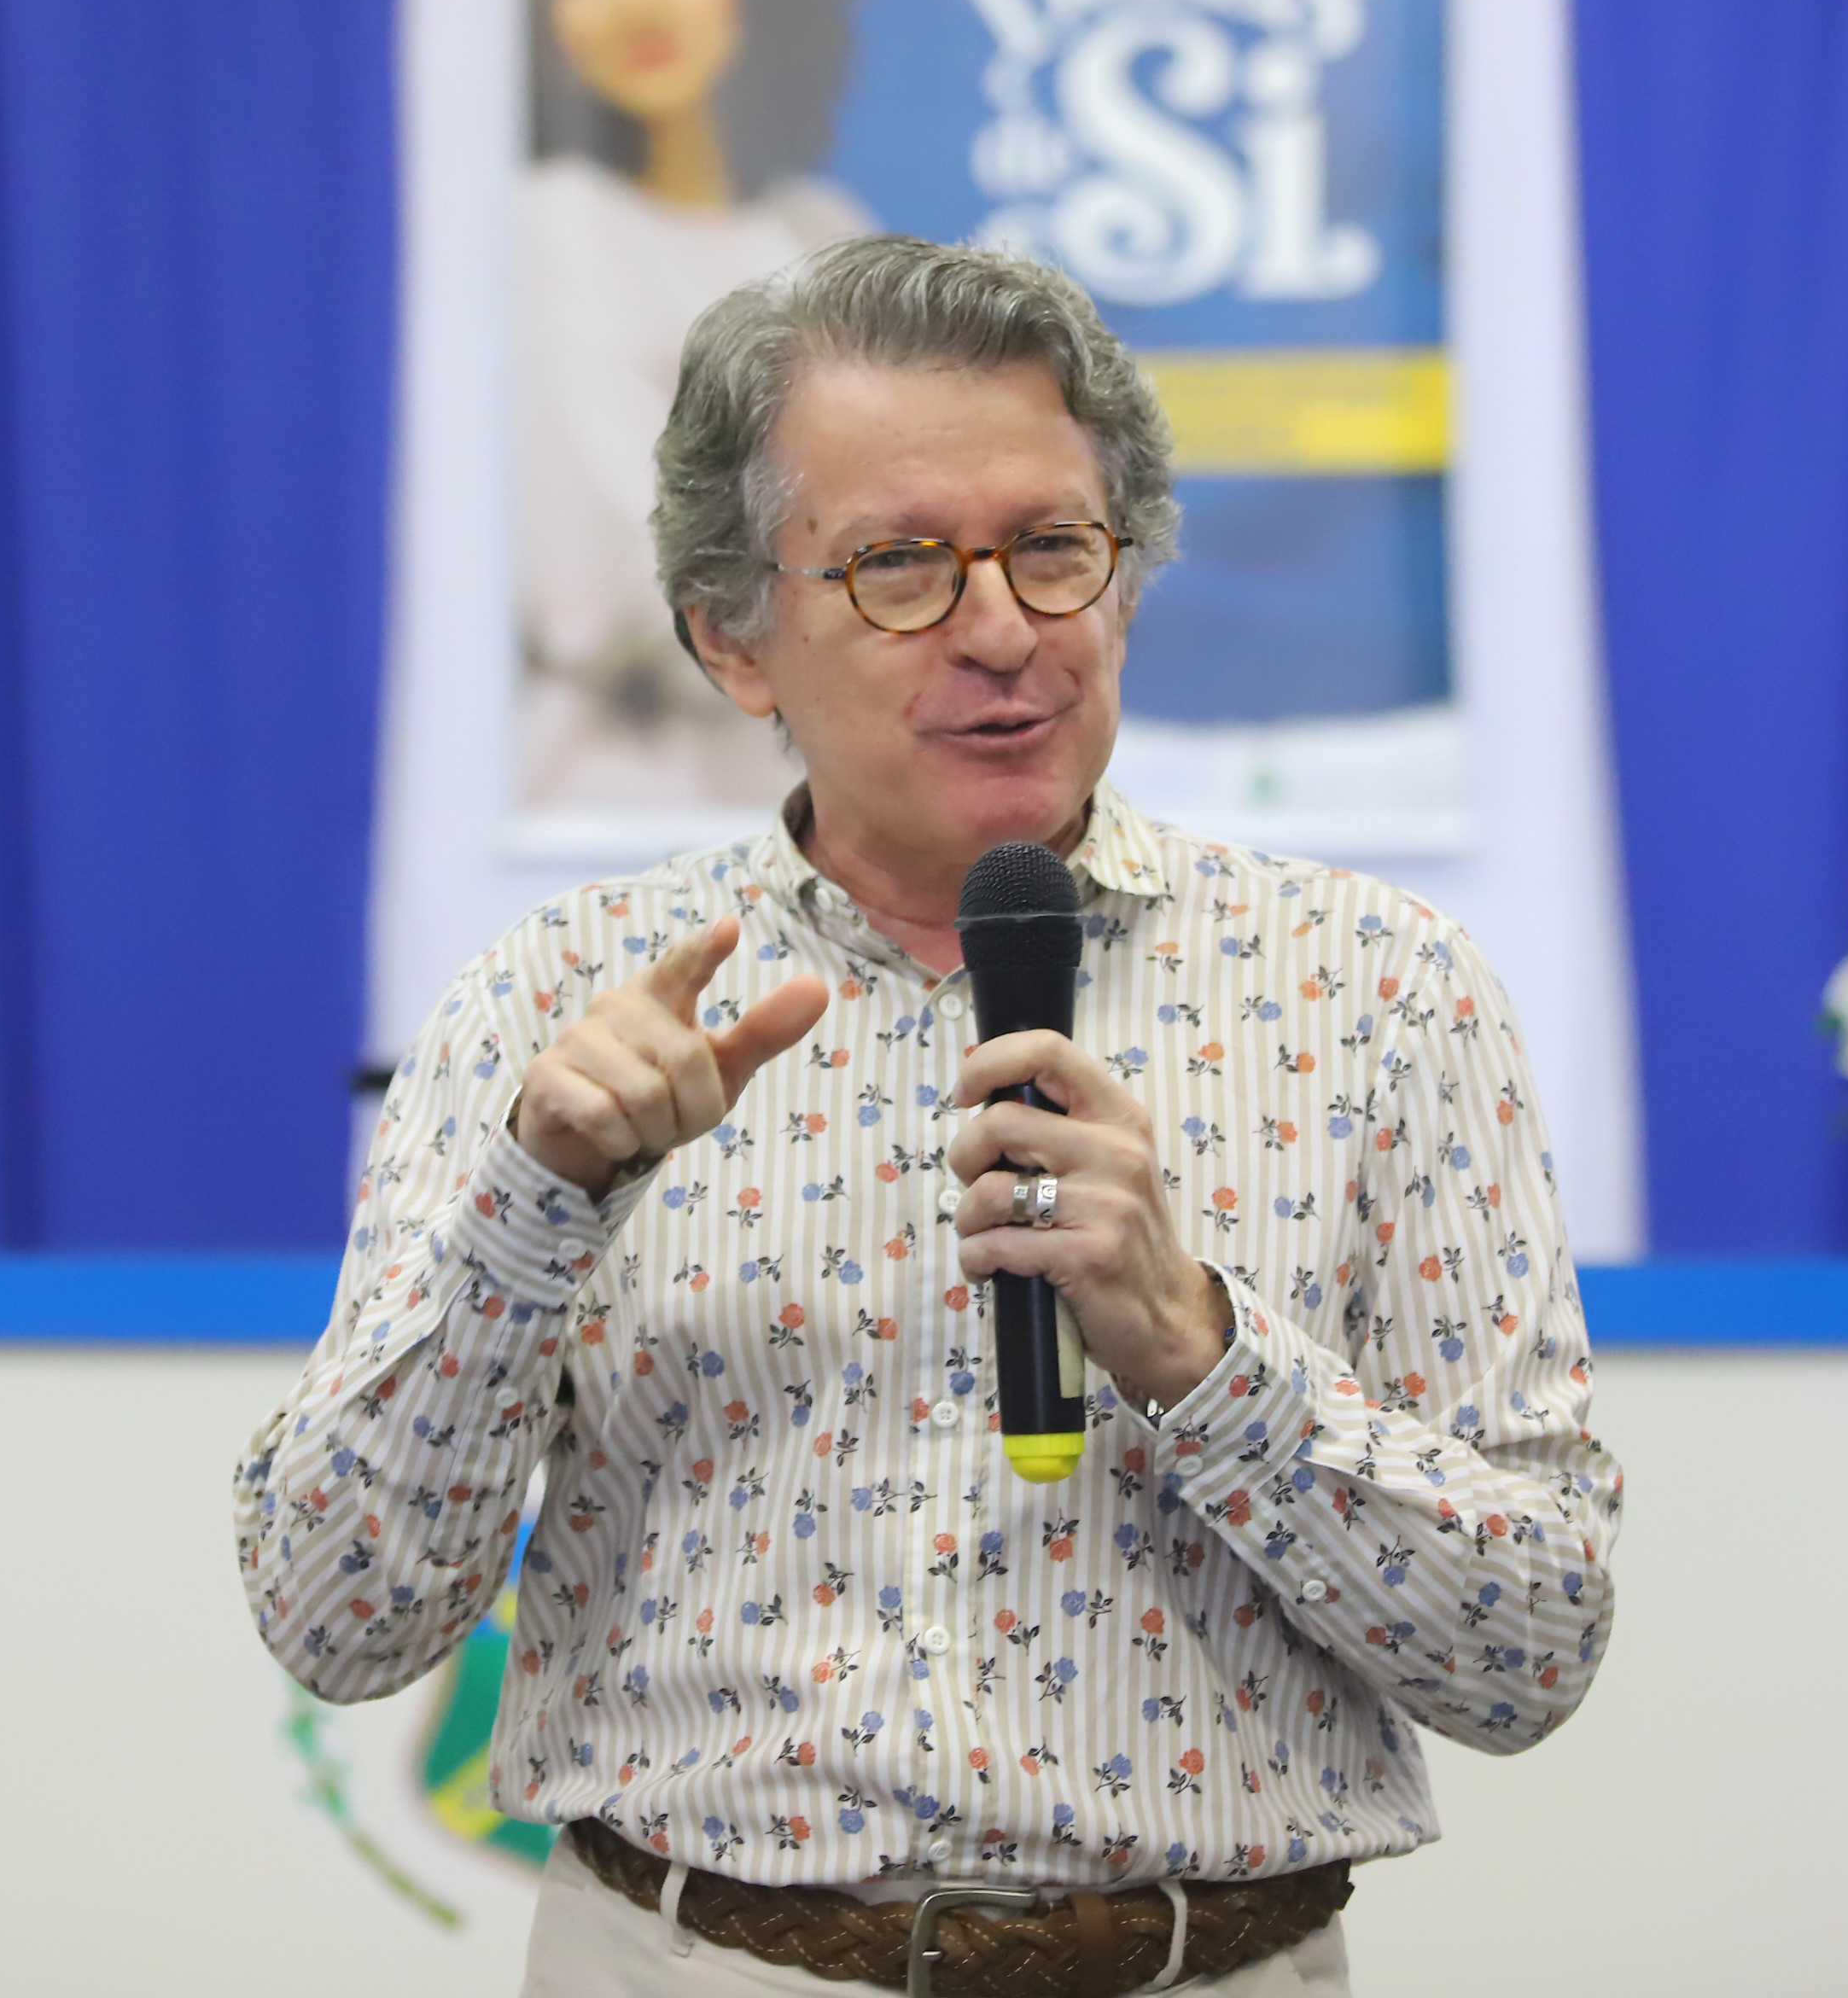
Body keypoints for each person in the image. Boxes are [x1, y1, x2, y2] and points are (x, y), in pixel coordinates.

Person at [241, 237, 1621, 1995]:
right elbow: (337, 1616)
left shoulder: (1380, 993)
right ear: (732, 637)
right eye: (898, 564)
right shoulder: (557, 1004)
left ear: (1128, 582)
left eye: (1052, 547)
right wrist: (535, 1204)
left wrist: (1200, 1351)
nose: (1001, 628)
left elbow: (1530, 1649)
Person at [518, 0, 876, 815]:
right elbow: (615, 581)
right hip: (613, 806)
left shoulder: (817, 232)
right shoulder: (546, 232)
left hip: (819, 806)